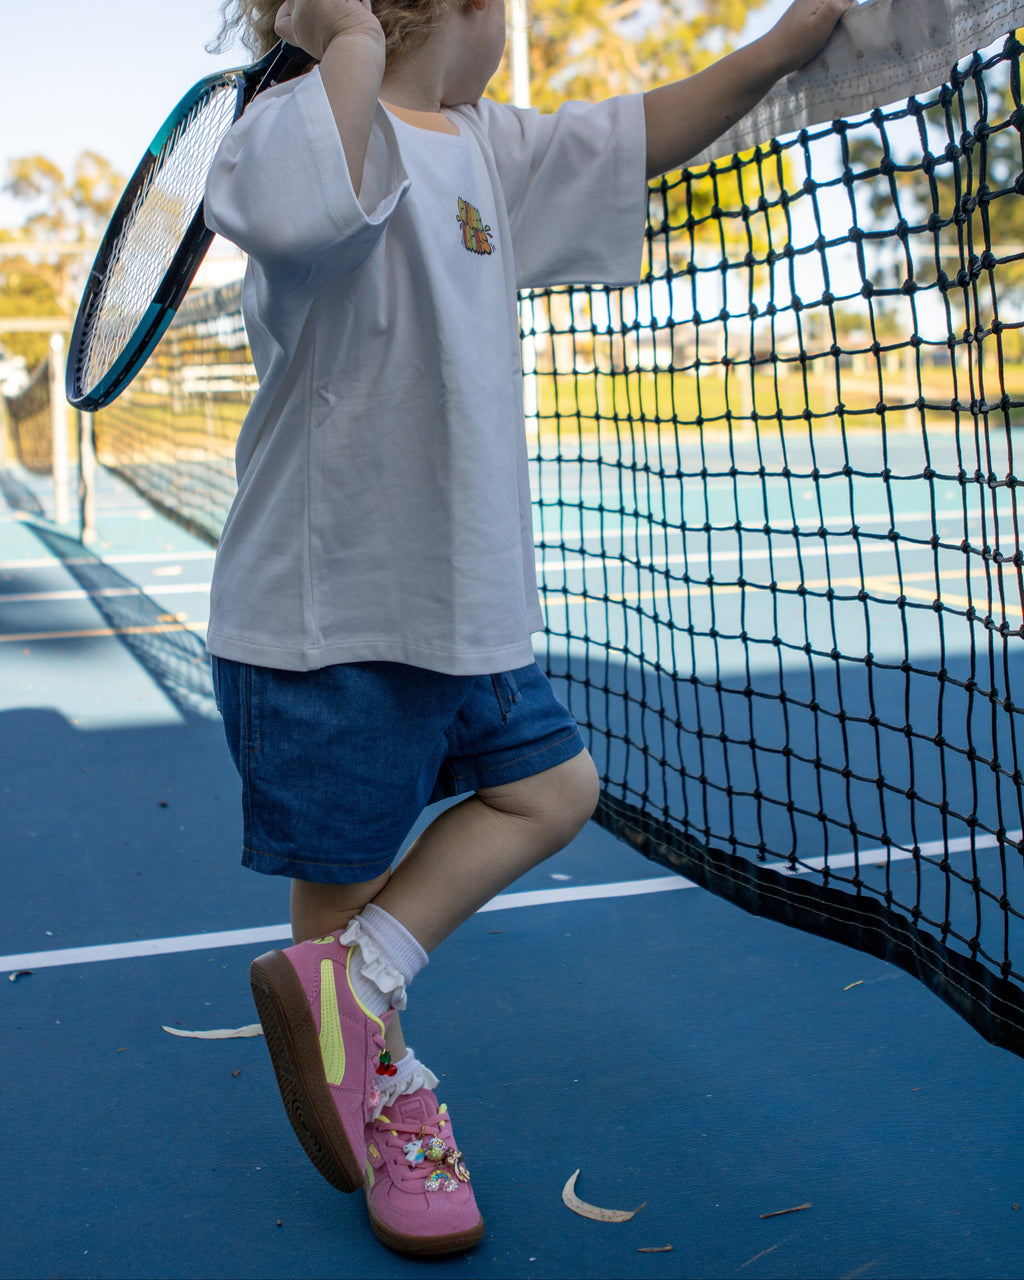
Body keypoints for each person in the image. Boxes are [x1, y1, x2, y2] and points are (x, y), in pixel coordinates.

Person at [204, 0, 854, 1257]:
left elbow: (639, 135)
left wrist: (782, 44)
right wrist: (340, 44)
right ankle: (382, 1095)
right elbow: (300, 211)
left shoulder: (486, 148)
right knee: (329, 909)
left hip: (472, 608)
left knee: (554, 790)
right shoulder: (292, 121)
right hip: (325, 618)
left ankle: (364, 987)